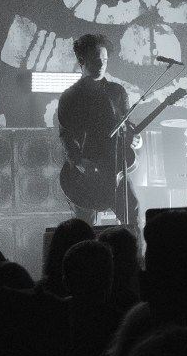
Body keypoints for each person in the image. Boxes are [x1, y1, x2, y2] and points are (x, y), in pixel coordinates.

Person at [57, 33, 141, 225]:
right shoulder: (70, 97)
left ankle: (133, 254)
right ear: (82, 60)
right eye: (96, 60)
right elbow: (67, 136)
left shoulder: (117, 92)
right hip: (84, 174)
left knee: (133, 216)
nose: (102, 64)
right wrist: (81, 162)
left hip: (115, 169)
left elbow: (127, 125)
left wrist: (135, 138)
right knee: (85, 225)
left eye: (105, 60)